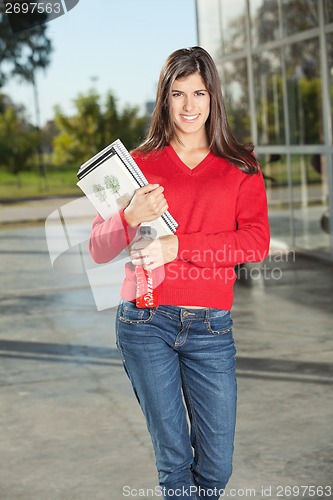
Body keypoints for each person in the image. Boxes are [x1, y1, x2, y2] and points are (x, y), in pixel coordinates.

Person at [89, 46, 270, 500]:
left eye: (200, 93)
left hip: (211, 326)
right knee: (174, 464)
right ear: (163, 99)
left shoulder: (240, 165)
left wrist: (178, 246)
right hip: (145, 322)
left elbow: (255, 243)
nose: (189, 106)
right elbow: (98, 248)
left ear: (214, 99)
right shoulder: (138, 164)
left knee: (216, 467)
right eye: (178, 93)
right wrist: (129, 215)